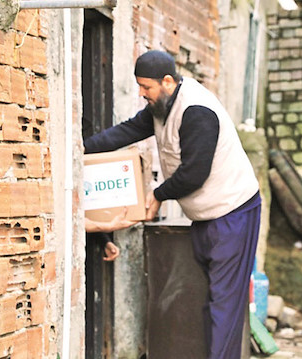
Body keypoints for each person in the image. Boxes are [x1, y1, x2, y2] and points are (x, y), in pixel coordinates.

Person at [83, 50, 261, 359]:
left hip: (234, 213)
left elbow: (194, 173)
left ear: (167, 81)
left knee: (225, 306)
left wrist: (157, 194)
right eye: (139, 86)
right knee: (210, 301)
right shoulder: (162, 105)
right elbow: (125, 132)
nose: (141, 94)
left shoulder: (197, 111)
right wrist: (79, 148)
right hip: (207, 217)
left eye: (146, 87)